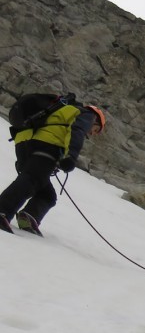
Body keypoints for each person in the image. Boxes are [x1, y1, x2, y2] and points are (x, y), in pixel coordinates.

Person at [1, 95, 106, 235]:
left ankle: (29, 216)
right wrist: (70, 157)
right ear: (97, 120)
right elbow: (77, 131)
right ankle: (3, 209)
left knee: (47, 195)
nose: (92, 134)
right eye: (96, 130)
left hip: (23, 142)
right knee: (31, 179)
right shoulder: (88, 115)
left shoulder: (62, 110)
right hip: (46, 145)